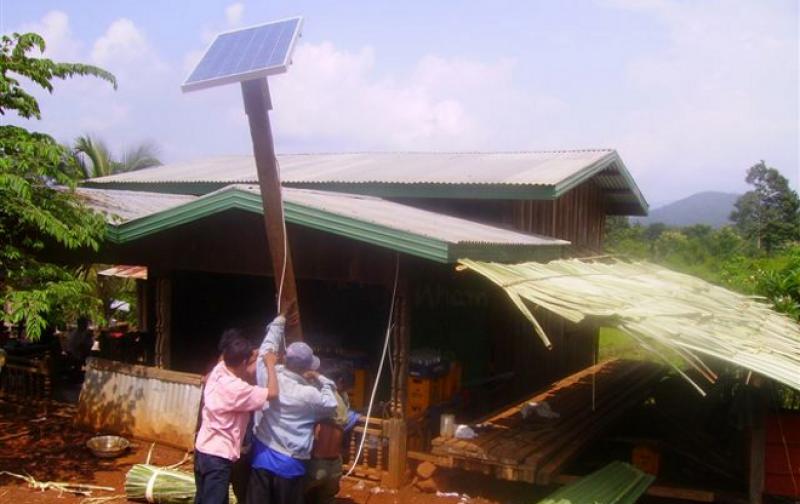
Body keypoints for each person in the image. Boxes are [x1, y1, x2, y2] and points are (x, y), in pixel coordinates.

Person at [248, 316, 339, 504]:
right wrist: (321, 378)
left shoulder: (268, 374)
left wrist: (279, 321)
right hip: (291, 465)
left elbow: (266, 348)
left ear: (285, 359)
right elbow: (332, 404)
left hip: (262, 456)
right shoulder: (309, 394)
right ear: (307, 368)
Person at [194, 329, 279, 504]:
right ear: (242, 363)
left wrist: (258, 351)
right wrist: (270, 364)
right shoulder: (238, 389)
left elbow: (236, 358)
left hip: (202, 449)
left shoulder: (218, 371)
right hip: (218, 457)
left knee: (203, 498)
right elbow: (272, 393)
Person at [305, 364, 360, 504]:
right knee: (324, 498)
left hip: (323, 461)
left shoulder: (333, 397)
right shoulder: (333, 399)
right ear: (341, 381)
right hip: (330, 462)